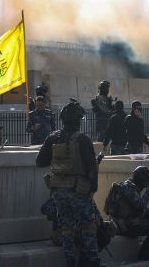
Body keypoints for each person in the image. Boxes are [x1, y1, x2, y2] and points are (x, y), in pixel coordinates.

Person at [36, 98, 102, 267]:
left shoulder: (53, 138)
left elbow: (40, 161)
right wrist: (92, 189)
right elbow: (91, 169)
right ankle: (92, 262)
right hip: (79, 191)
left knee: (66, 228)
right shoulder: (83, 140)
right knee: (88, 227)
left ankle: (70, 261)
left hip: (58, 191)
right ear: (78, 121)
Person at [104, 166, 149, 261]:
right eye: (147, 181)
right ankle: (145, 252)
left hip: (128, 222)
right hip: (123, 226)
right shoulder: (128, 188)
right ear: (141, 180)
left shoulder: (132, 186)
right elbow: (140, 205)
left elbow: (138, 210)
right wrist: (148, 193)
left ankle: (148, 250)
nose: (148, 183)